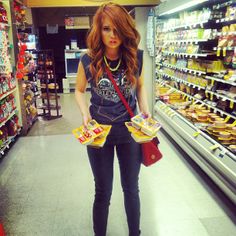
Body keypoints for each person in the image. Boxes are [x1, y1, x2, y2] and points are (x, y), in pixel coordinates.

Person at [75, 2, 149, 236]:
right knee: (103, 191)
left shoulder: (135, 57)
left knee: (131, 189)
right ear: (99, 29)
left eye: (117, 29)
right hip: (99, 132)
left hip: (129, 131)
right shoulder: (88, 60)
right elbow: (78, 90)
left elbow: (140, 88)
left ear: (125, 29)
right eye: (107, 29)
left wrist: (145, 114)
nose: (113, 35)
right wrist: (85, 114)